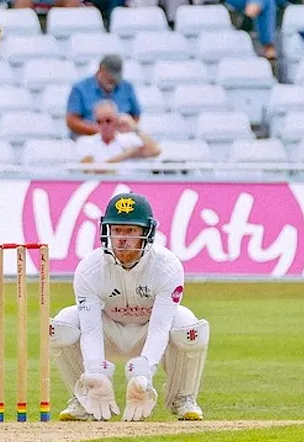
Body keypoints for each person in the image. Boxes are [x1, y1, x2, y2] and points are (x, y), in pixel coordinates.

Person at [49, 192, 210, 422]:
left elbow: (160, 327)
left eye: (130, 231)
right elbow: (91, 328)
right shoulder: (90, 269)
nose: (122, 239)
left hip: (149, 331)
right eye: (117, 230)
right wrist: (95, 370)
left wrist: (145, 371)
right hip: (110, 333)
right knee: (64, 322)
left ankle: (183, 398)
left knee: (188, 325)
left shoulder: (167, 267)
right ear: (107, 231)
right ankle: (84, 397)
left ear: (147, 233)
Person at [66, 55, 141, 138]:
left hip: (121, 139)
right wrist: (101, 130)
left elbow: (135, 116)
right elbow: (72, 121)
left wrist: (123, 129)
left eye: (115, 77)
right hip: (88, 138)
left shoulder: (127, 87)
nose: (113, 80)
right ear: (100, 70)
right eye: (110, 76)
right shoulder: (80, 88)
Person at [76, 100, 159, 166]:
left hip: (127, 184)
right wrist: (126, 154)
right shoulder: (85, 142)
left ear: (116, 120)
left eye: (108, 121)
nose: (104, 125)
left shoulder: (130, 139)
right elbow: (92, 171)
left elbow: (155, 151)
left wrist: (134, 127)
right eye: (99, 121)